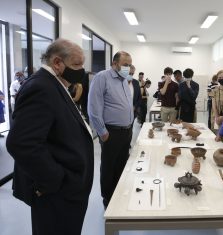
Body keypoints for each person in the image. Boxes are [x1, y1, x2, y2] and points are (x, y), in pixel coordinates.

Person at [6, 39, 94, 235]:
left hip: (68, 190)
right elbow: (21, 143)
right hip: (57, 193)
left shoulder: (56, 85)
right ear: (57, 63)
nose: (81, 70)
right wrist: (56, 179)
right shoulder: (41, 87)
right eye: (77, 64)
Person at [88, 51, 133, 208]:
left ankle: (118, 195)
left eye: (130, 65)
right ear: (115, 64)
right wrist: (102, 132)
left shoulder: (124, 80)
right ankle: (108, 199)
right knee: (109, 166)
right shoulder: (102, 77)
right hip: (111, 132)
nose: (128, 67)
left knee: (122, 164)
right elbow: (93, 108)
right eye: (125, 64)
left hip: (126, 131)